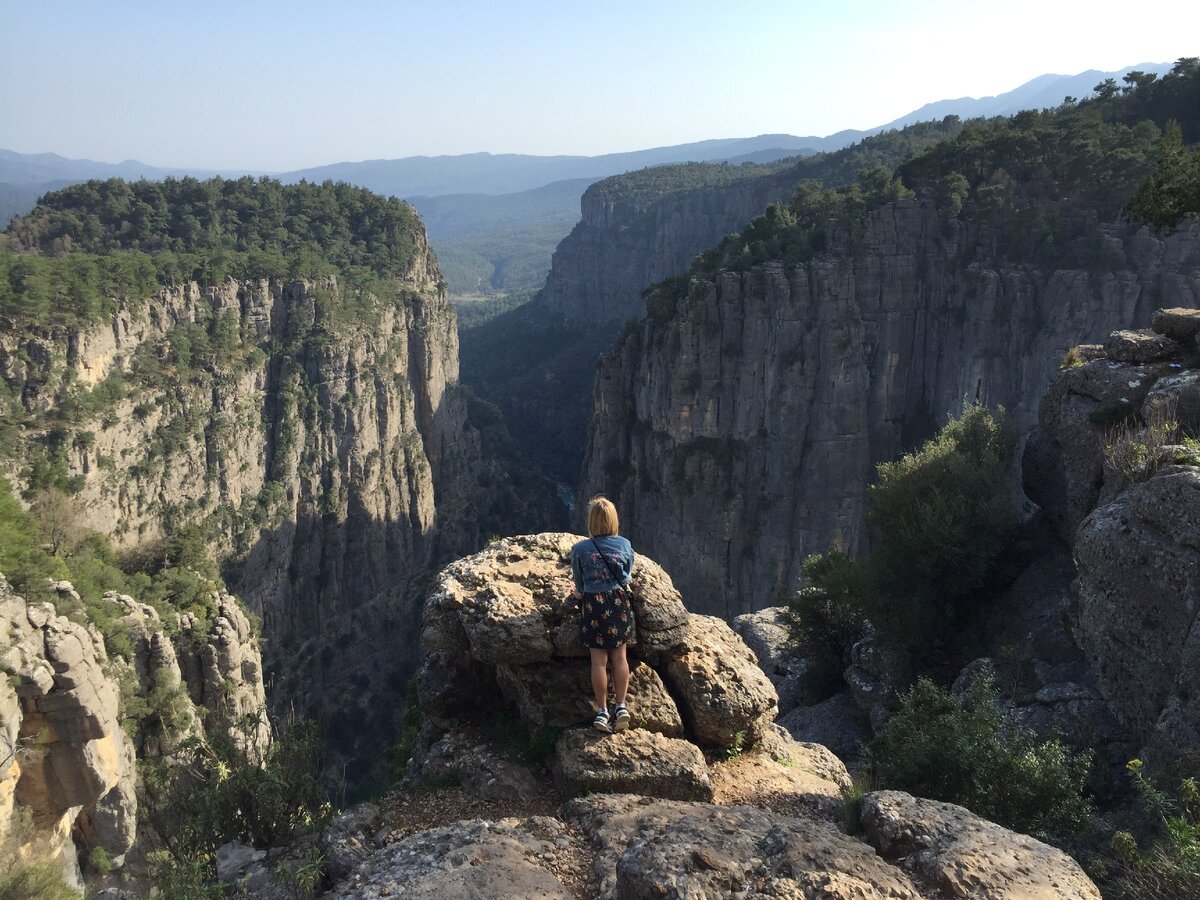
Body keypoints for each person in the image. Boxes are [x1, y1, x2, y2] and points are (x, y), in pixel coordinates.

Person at [571, 496, 636, 733]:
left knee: (598, 661)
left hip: (593, 606)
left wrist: (579, 594)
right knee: (620, 657)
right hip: (618, 603)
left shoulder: (580, 550)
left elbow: (580, 584)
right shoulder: (625, 545)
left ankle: (602, 712)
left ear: (591, 522)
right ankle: (621, 706)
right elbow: (627, 575)